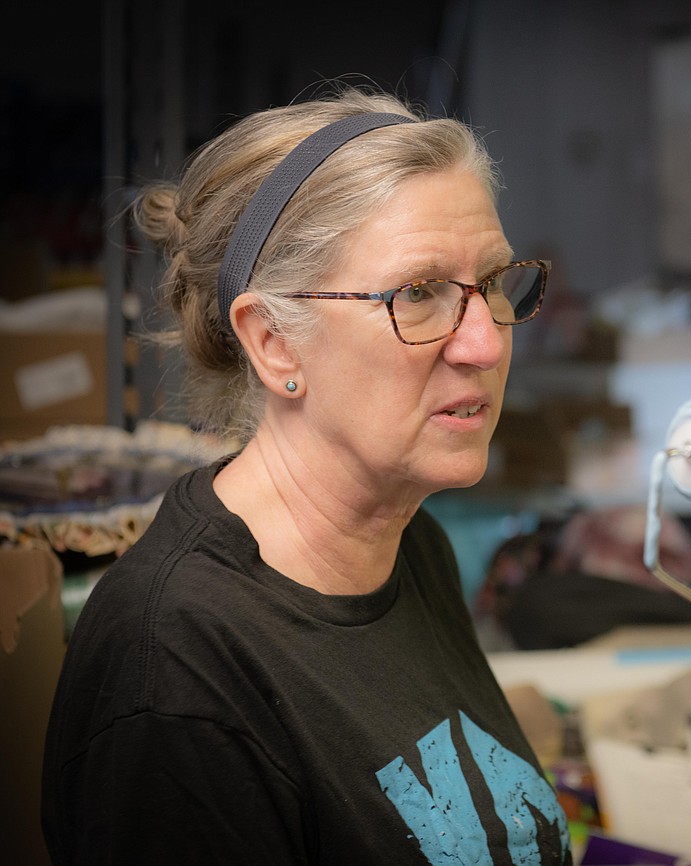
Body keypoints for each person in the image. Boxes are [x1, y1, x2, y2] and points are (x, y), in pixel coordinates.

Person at [41, 87, 572, 865]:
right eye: (418, 294)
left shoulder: (409, 548)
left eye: (492, 283)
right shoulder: (177, 679)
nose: (485, 345)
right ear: (274, 344)